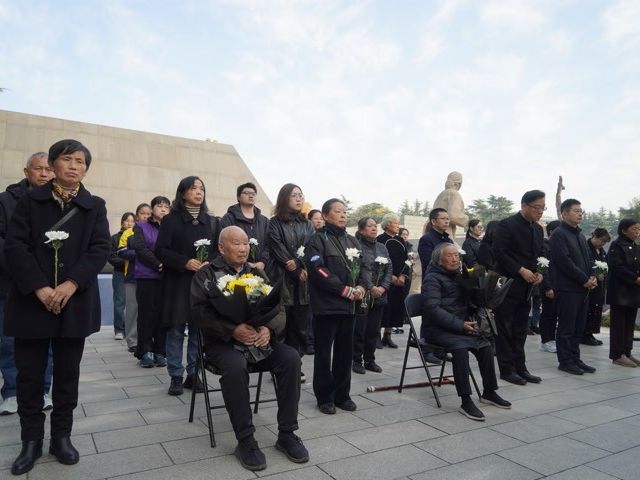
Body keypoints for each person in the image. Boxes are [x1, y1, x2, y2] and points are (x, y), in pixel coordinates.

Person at [4, 139, 110, 475]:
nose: (74, 166)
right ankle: (31, 441)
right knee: (29, 377)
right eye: (67, 159)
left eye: (80, 161)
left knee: (67, 375)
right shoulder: (28, 200)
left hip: (74, 302)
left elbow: (99, 249)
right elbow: (15, 246)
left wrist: (70, 284)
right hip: (31, 302)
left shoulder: (95, 206)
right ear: (53, 165)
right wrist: (39, 287)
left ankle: (61, 437)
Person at [191, 226, 308, 471]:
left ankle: (287, 434)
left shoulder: (256, 273)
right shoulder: (206, 275)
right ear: (221, 247)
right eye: (236, 243)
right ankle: (245, 439)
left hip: (258, 340)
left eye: (246, 243)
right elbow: (199, 314)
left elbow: (278, 308)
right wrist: (232, 329)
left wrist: (269, 330)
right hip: (222, 342)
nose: (243, 249)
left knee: (290, 358)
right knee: (235, 366)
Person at [422, 243, 511, 421]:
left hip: (462, 325)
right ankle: (466, 400)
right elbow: (433, 310)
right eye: (449, 256)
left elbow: (468, 303)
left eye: (456, 255)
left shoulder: (462, 275)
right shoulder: (432, 279)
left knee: (485, 346)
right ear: (439, 260)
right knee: (460, 349)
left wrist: (483, 304)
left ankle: (489, 392)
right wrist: (460, 324)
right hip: (437, 329)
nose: (455, 259)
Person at [0, 152, 55, 416]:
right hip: (12, 284)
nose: (44, 174)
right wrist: (28, 274)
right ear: (26, 172)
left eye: (48, 169)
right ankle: (12, 392)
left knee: (48, 342)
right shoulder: (6, 201)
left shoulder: (61, 203)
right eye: (38, 169)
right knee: (9, 342)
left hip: (49, 286)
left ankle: (43, 390)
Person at [306, 198, 370, 414]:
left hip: (350, 306)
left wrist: (362, 286)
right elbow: (318, 269)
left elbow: (365, 267)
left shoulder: (353, 241)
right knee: (324, 354)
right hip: (327, 306)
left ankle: (343, 395)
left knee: (345, 352)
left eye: (344, 212)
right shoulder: (316, 240)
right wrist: (342, 289)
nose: (343, 215)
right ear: (325, 215)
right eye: (337, 211)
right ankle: (324, 397)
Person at [156, 176, 218, 396]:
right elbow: (161, 250)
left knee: (197, 330)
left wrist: (210, 262)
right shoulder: (170, 220)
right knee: (175, 329)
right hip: (178, 282)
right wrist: (184, 262)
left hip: (202, 284)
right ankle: (175, 374)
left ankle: (193, 373)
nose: (199, 192)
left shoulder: (212, 221)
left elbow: (218, 250)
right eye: (193, 188)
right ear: (183, 193)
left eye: (202, 188)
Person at [492, 190, 545, 385]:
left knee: (521, 329)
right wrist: (520, 270)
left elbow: (540, 255)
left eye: (542, 208)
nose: (540, 212)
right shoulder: (506, 225)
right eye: (536, 208)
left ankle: (520, 367)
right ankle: (506, 369)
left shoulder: (538, 229)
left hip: (527, 287)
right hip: (508, 284)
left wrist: (540, 272)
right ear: (524, 205)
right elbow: (499, 253)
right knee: (505, 328)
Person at [266, 184, 315, 381]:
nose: (299, 198)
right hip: (281, 278)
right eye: (294, 195)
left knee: (299, 327)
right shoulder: (274, 223)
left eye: (301, 195)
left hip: (303, 281)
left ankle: (295, 365)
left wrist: (301, 264)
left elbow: (312, 247)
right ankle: (279, 365)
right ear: (284, 198)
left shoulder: (307, 224)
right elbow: (276, 248)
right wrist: (295, 268)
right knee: (281, 326)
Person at [549, 199, 597, 375]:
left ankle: (575, 358)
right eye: (576, 211)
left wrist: (592, 276)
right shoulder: (559, 234)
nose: (580, 214)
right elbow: (564, 262)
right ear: (564, 214)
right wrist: (584, 279)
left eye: (581, 211)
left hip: (583, 287)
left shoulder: (580, 234)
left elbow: (588, 259)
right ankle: (565, 361)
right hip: (568, 288)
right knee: (566, 327)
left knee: (578, 327)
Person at [132, 196, 170, 367]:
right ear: (152, 209)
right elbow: (140, 249)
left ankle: (160, 351)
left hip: (166, 278)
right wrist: (158, 264)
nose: (163, 209)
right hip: (147, 276)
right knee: (146, 315)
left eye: (166, 207)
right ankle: (145, 351)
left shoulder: (171, 227)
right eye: (159, 206)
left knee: (162, 315)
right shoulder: (141, 226)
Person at [352, 217, 392, 374]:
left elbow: (389, 268)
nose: (374, 228)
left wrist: (383, 287)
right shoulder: (356, 246)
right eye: (370, 226)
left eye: (375, 226)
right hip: (363, 294)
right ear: (361, 230)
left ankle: (370, 359)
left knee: (374, 330)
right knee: (360, 329)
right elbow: (359, 269)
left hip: (379, 294)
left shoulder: (382, 247)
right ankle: (356, 360)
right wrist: (370, 287)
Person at [117, 203, 151, 353]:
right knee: (132, 310)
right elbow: (121, 252)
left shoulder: (154, 231)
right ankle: (132, 341)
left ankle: (148, 340)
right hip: (132, 276)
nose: (146, 216)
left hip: (151, 277)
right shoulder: (128, 232)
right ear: (137, 216)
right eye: (143, 213)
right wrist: (141, 253)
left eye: (148, 214)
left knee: (149, 310)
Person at [607, 218, 640, 367]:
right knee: (619, 325)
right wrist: (635, 279)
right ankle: (617, 354)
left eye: (639, 229)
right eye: (634, 229)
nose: (637, 232)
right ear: (624, 230)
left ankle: (627, 351)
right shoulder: (617, 245)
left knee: (629, 324)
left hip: (633, 292)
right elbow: (617, 267)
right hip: (620, 292)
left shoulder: (636, 246)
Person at [220, 182, 270, 272]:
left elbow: (269, 244)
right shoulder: (228, 218)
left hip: (261, 269)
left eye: (253, 194)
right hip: (235, 269)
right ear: (238, 197)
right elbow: (224, 243)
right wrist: (245, 264)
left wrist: (263, 261)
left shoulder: (265, 221)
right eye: (246, 193)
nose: (250, 196)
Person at [377, 213, 410, 348]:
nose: (398, 226)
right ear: (387, 224)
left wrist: (403, 276)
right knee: (383, 309)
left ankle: (387, 336)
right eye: (395, 223)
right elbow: (378, 260)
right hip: (384, 280)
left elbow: (406, 260)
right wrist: (389, 277)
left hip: (399, 281)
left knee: (394, 308)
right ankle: (376, 336)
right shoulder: (379, 240)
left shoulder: (401, 240)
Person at [582, 227, 611, 346]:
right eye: (601, 241)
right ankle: (584, 334)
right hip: (589, 284)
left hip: (600, 285)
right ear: (594, 236)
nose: (602, 244)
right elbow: (585, 264)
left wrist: (603, 273)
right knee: (588, 309)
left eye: (605, 242)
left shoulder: (601, 250)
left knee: (596, 309)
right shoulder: (586, 247)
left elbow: (605, 264)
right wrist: (594, 274)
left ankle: (590, 332)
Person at [108, 212, 134, 340]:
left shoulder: (136, 236)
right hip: (119, 272)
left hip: (133, 273)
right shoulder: (114, 238)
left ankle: (130, 329)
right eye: (127, 220)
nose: (129, 223)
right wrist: (126, 262)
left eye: (132, 221)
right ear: (122, 222)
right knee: (119, 302)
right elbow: (111, 256)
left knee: (133, 304)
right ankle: (119, 329)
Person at [539, 220, 561, 353]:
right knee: (548, 313)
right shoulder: (544, 245)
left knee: (554, 313)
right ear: (552, 232)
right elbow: (543, 268)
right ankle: (546, 340)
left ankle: (552, 339)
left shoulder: (559, 246)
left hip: (559, 285)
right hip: (549, 285)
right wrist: (547, 287)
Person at [305, 209, 324, 354]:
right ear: (309, 220)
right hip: (307, 277)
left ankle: (318, 340)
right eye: (316, 218)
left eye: (321, 218)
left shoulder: (325, 236)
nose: (319, 221)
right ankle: (309, 341)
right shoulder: (307, 235)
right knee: (309, 312)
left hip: (322, 279)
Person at [433, 171, 469, 237]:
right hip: (445, 232)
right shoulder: (454, 193)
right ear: (458, 184)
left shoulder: (441, 194)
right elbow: (453, 216)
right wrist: (467, 219)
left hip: (434, 231)